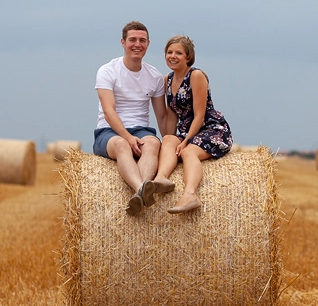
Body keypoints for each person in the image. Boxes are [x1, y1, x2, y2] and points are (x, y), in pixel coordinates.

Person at [93, 21, 169, 216]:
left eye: (142, 40)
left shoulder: (154, 76)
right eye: (132, 40)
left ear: (148, 44)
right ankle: (141, 188)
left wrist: (170, 143)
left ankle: (139, 194)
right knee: (122, 146)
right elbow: (109, 111)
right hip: (108, 132)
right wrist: (127, 136)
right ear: (123, 42)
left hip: (141, 130)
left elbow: (161, 116)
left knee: (153, 144)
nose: (137, 44)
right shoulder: (107, 71)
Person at [154, 35, 233, 213]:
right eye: (169, 52)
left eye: (179, 53)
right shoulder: (167, 79)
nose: (172, 56)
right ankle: (161, 179)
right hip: (186, 130)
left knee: (189, 151)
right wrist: (170, 140)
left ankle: (190, 195)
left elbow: (199, 115)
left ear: (188, 56)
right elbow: (172, 114)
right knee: (167, 140)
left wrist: (186, 141)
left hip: (211, 129)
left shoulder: (196, 75)